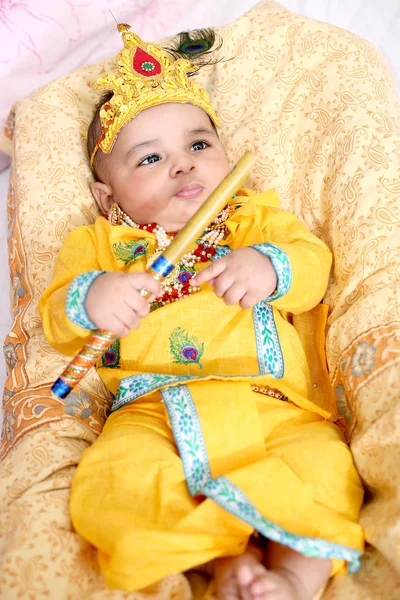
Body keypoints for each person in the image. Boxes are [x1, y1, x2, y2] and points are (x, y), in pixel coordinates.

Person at [39, 26, 364, 600]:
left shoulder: (253, 220)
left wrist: (269, 267)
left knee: (322, 470)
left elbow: (312, 267)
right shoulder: (101, 245)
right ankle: (221, 565)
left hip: (274, 404)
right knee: (118, 483)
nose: (184, 167)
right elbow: (56, 318)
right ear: (107, 197)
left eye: (198, 146)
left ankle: (292, 576)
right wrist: (94, 297)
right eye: (150, 158)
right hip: (152, 410)